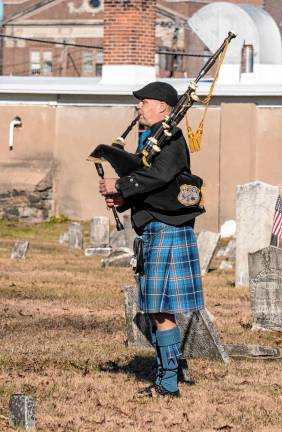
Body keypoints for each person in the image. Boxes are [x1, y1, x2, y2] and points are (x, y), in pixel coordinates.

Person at [99, 81, 204, 398]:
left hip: (167, 228)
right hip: (157, 227)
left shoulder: (170, 137)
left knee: (161, 309)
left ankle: (169, 383)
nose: (138, 107)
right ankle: (170, 376)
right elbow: (157, 186)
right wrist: (123, 200)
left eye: (143, 101)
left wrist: (121, 184)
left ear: (162, 106)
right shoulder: (154, 139)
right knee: (159, 309)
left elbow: (160, 176)